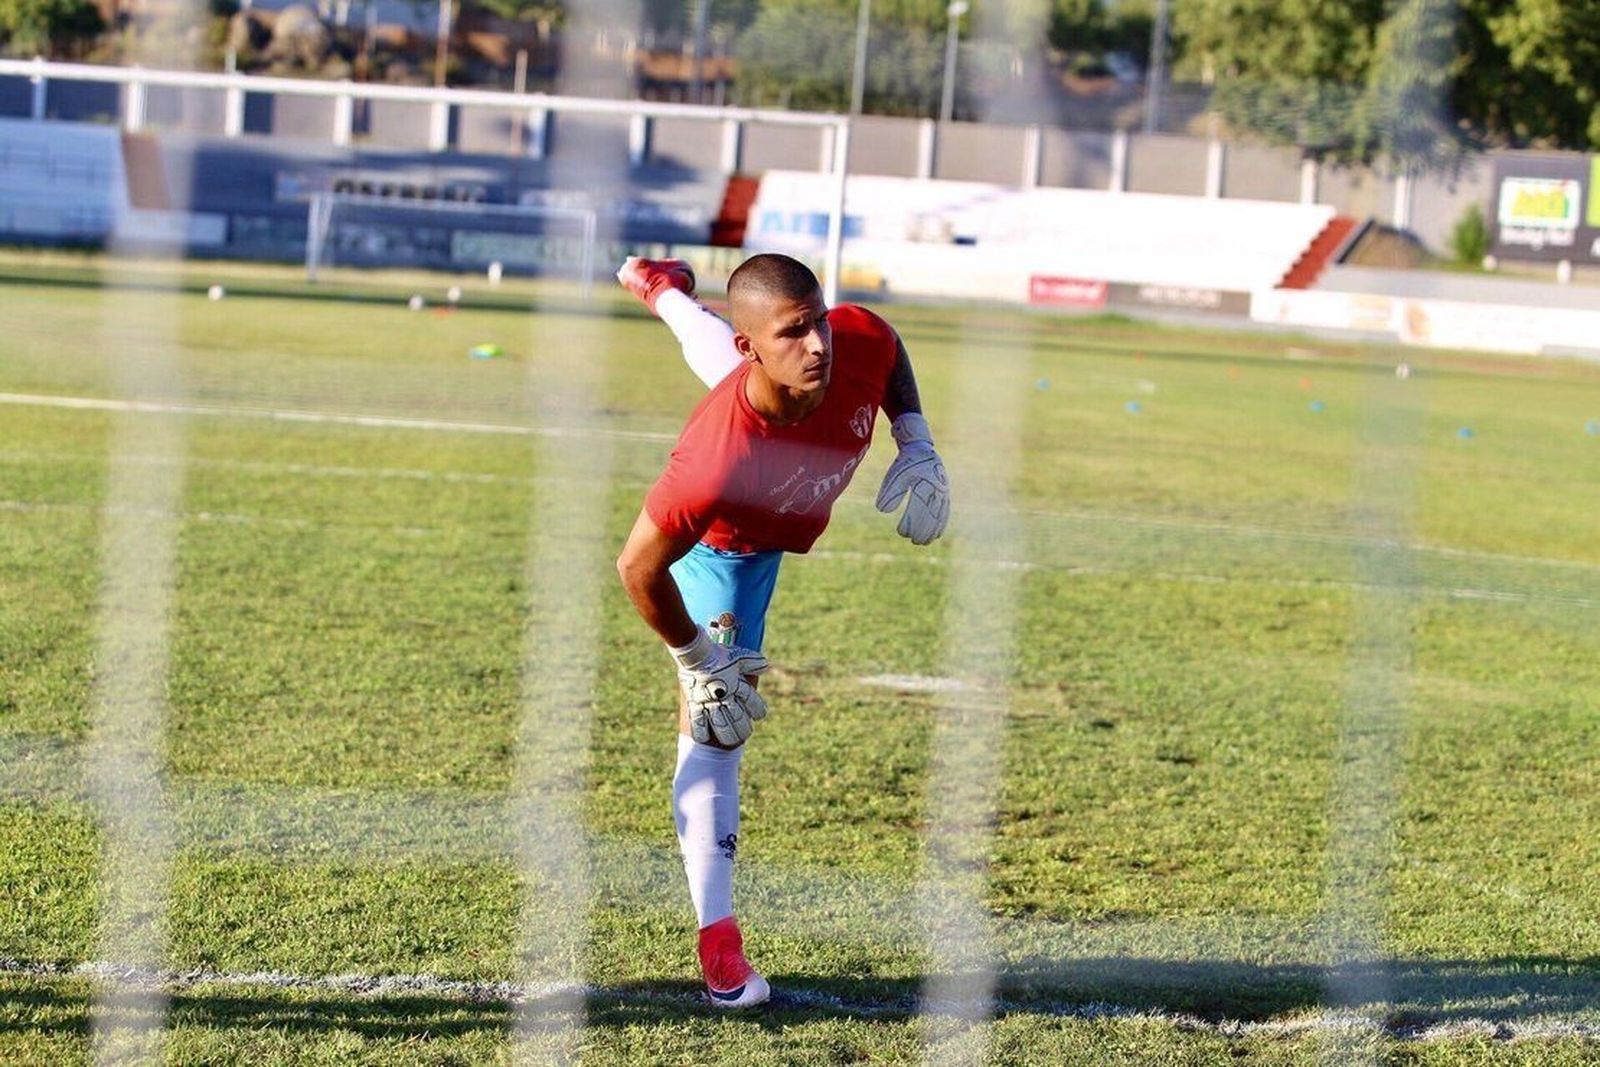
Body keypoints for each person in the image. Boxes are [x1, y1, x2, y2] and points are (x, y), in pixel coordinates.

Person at [614, 253, 950, 1008]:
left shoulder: (847, 342)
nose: (820, 344)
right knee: (717, 725)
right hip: (726, 550)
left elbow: (883, 340)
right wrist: (697, 657)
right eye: (794, 332)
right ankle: (718, 944)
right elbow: (636, 567)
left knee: (726, 356)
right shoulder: (713, 461)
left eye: (818, 321)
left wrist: (916, 437)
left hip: (764, 449)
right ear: (757, 345)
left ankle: (660, 286)